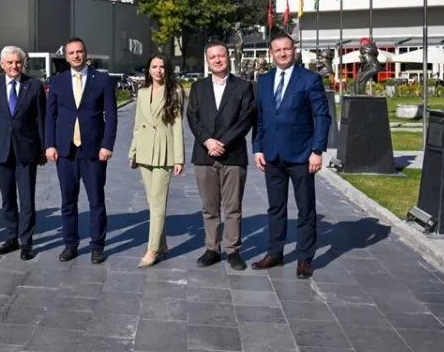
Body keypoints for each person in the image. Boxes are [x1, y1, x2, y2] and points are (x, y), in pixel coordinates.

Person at [252, 32, 332, 279]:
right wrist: (257, 148)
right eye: (278, 50)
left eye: (287, 49)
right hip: (272, 155)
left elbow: (322, 116)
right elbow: (261, 118)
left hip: (301, 155)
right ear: (271, 53)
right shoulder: (264, 81)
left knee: (305, 208)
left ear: (294, 50)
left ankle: (304, 258)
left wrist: (317, 151)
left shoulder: (309, 79)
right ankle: (275, 252)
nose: (283, 53)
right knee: (275, 208)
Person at [45, 38, 117, 264]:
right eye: (71, 53)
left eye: (79, 51)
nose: (76, 56)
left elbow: (111, 115)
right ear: (66, 57)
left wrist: (107, 144)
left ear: (86, 54)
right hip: (66, 151)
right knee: (68, 200)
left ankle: (97, 246)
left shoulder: (102, 79)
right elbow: (50, 116)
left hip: (93, 150)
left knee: (96, 199)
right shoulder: (58, 82)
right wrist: (49, 144)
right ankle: (70, 244)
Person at [186, 42, 258, 270]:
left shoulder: (244, 87)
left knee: (233, 207)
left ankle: (233, 250)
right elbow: (192, 118)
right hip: (204, 155)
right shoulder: (198, 87)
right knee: (209, 207)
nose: (217, 60)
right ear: (207, 61)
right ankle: (212, 249)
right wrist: (208, 141)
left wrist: (223, 143)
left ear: (228, 58)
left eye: (221, 56)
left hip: (233, 155)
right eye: (213, 57)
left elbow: (246, 119)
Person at [0, 45, 45, 261]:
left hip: (26, 151)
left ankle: (26, 242)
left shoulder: (34, 86)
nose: (15, 66)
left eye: (18, 62)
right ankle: (11, 237)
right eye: (10, 62)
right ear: (2, 64)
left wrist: (43, 149)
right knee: (7, 198)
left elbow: (41, 121)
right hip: (0, 151)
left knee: (27, 199)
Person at [128, 53, 186, 268]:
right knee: (152, 202)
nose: (158, 70)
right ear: (149, 69)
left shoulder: (175, 91)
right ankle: (162, 245)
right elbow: (137, 123)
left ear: (167, 69)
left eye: (162, 66)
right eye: (154, 66)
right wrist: (132, 151)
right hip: (144, 149)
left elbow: (178, 126)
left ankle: (152, 249)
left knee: (158, 203)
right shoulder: (142, 92)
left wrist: (179, 158)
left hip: (164, 150)